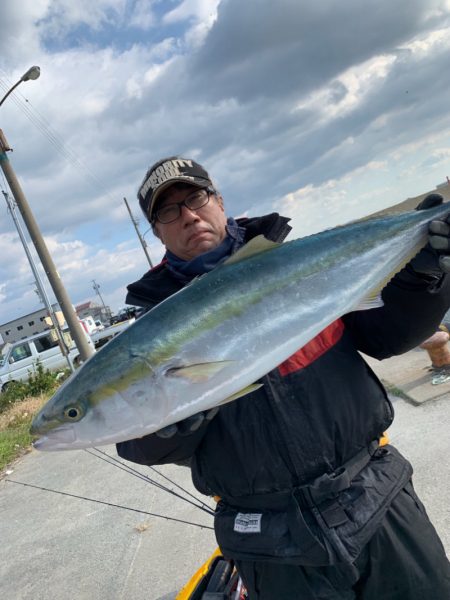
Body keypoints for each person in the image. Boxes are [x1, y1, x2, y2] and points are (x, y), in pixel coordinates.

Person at [117, 156, 450, 599]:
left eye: (195, 197)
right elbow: (133, 435)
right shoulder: (148, 332)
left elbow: (388, 335)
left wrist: (428, 275)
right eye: (167, 211)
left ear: (218, 199)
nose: (188, 215)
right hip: (271, 544)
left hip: (377, 498)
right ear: (156, 231)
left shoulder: (296, 261)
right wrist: (166, 427)